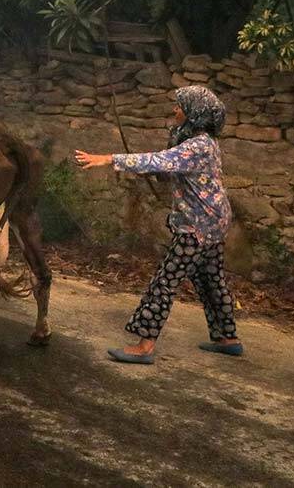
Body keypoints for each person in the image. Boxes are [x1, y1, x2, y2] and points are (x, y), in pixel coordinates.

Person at [74, 85, 242, 364]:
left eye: (180, 106)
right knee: (211, 279)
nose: (175, 110)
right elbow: (168, 167)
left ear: (193, 113)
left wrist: (109, 159)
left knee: (164, 281)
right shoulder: (201, 140)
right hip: (214, 220)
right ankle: (228, 338)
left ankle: (144, 346)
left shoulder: (197, 145)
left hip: (197, 226)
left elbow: (161, 160)